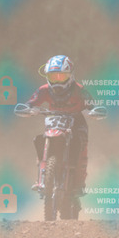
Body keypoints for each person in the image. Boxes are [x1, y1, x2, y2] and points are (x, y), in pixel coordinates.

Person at [23, 55, 94, 194]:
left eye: (61, 77)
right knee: (39, 139)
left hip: (76, 122)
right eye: (53, 77)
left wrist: (92, 111)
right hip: (55, 122)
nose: (57, 81)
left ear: (70, 75)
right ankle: (41, 179)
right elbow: (30, 103)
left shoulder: (79, 89)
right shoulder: (44, 90)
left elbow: (92, 105)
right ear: (47, 77)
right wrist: (28, 109)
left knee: (81, 143)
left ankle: (79, 182)